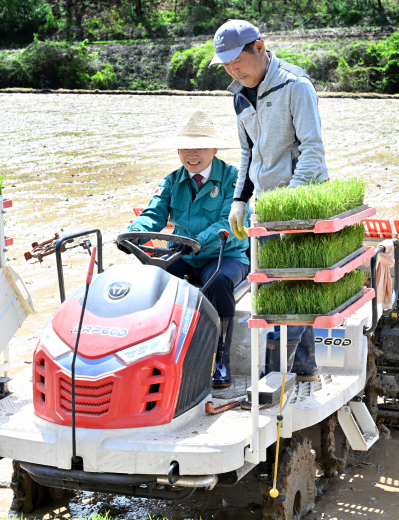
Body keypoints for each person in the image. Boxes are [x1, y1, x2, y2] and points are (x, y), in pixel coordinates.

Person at [211, 19, 328, 381]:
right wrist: (239, 200)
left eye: (238, 61)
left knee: (288, 292)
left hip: (302, 203)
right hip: (265, 203)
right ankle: (306, 367)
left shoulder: (296, 86)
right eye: (227, 65)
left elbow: (312, 150)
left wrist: (291, 202)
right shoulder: (239, 94)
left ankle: (269, 377)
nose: (233, 70)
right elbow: (248, 154)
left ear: (259, 48)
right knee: (279, 286)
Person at [124, 111, 249, 389]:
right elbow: (152, 214)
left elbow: (226, 220)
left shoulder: (234, 179)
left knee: (218, 281)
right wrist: (134, 233)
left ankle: (220, 358)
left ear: (214, 149)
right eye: (186, 147)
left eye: (200, 147)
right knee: (152, 277)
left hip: (225, 255)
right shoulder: (172, 180)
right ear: (178, 150)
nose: (192, 154)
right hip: (182, 254)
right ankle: (151, 353)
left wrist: (199, 241)